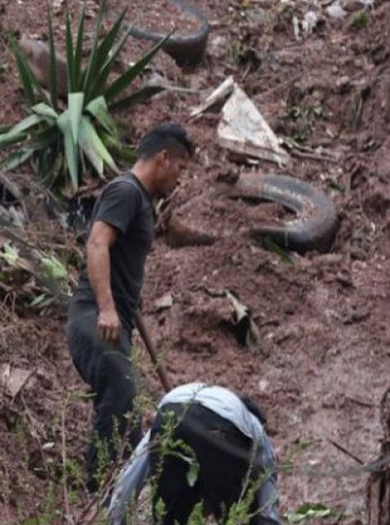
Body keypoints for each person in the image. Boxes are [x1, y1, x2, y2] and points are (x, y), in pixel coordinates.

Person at [67, 123, 194, 490]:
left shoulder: (138, 199)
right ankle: (99, 492)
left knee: (127, 410)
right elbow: (96, 244)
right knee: (121, 398)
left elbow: (118, 257)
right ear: (163, 157)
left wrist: (126, 302)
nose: (180, 179)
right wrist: (108, 308)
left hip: (113, 318)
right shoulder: (126, 191)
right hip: (94, 317)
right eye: (181, 168)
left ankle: (122, 492)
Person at [108, 383, 280, 525]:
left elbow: (135, 468)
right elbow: (267, 475)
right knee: (234, 516)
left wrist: (115, 517)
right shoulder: (253, 422)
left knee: (168, 516)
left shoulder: (205, 398)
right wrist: (269, 519)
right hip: (220, 427)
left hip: (169, 418)